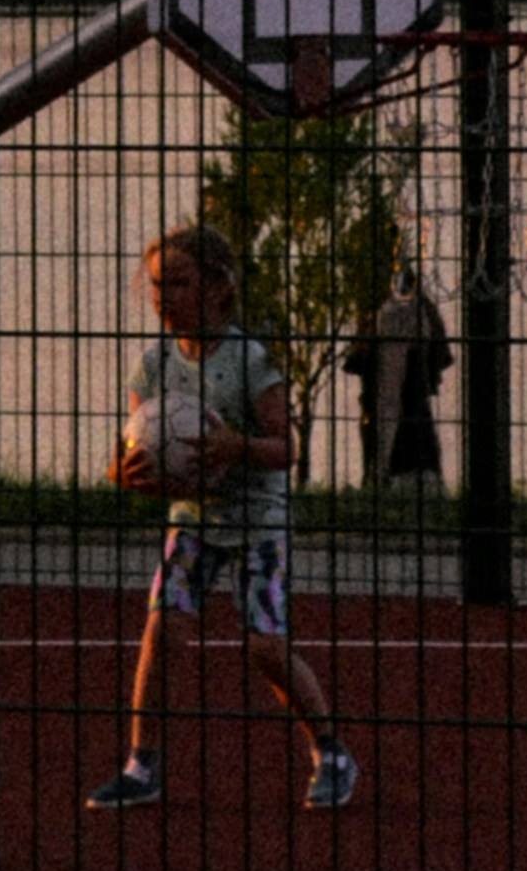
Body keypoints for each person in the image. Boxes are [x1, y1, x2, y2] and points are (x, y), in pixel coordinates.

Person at [88, 218, 358, 817]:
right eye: (157, 285)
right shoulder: (155, 365)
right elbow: (134, 446)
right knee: (163, 631)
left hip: (257, 523)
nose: (164, 297)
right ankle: (142, 764)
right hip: (192, 522)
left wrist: (237, 448)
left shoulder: (249, 361)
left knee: (265, 647)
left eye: (178, 283)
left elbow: (285, 449)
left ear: (217, 287)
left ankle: (332, 751)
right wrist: (123, 473)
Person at [345, 266, 451, 491]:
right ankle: (389, 478)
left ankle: (398, 478)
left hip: (407, 386)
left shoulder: (401, 309)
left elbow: (359, 354)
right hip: (393, 387)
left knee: (408, 430)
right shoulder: (415, 309)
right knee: (397, 430)